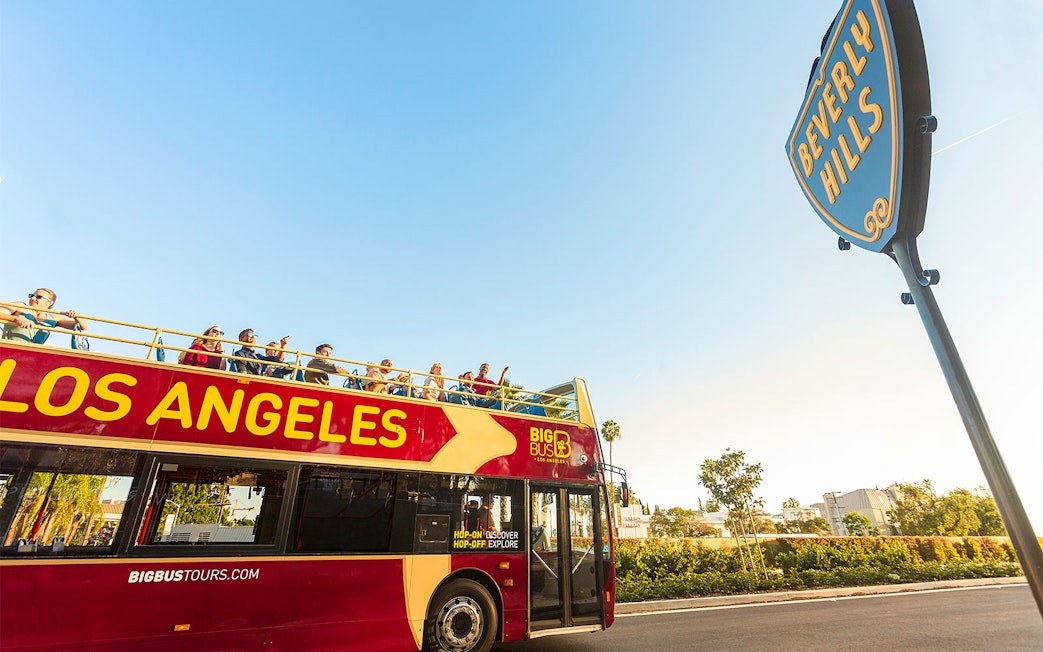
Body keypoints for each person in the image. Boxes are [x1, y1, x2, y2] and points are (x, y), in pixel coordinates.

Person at [1, 288, 88, 345]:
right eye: (31, 295)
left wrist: (76, 316)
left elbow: (84, 327)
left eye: (38, 297)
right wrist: (15, 318)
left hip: (32, 356)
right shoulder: (20, 306)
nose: (32, 299)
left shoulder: (53, 318)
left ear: (49, 303)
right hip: (10, 349)